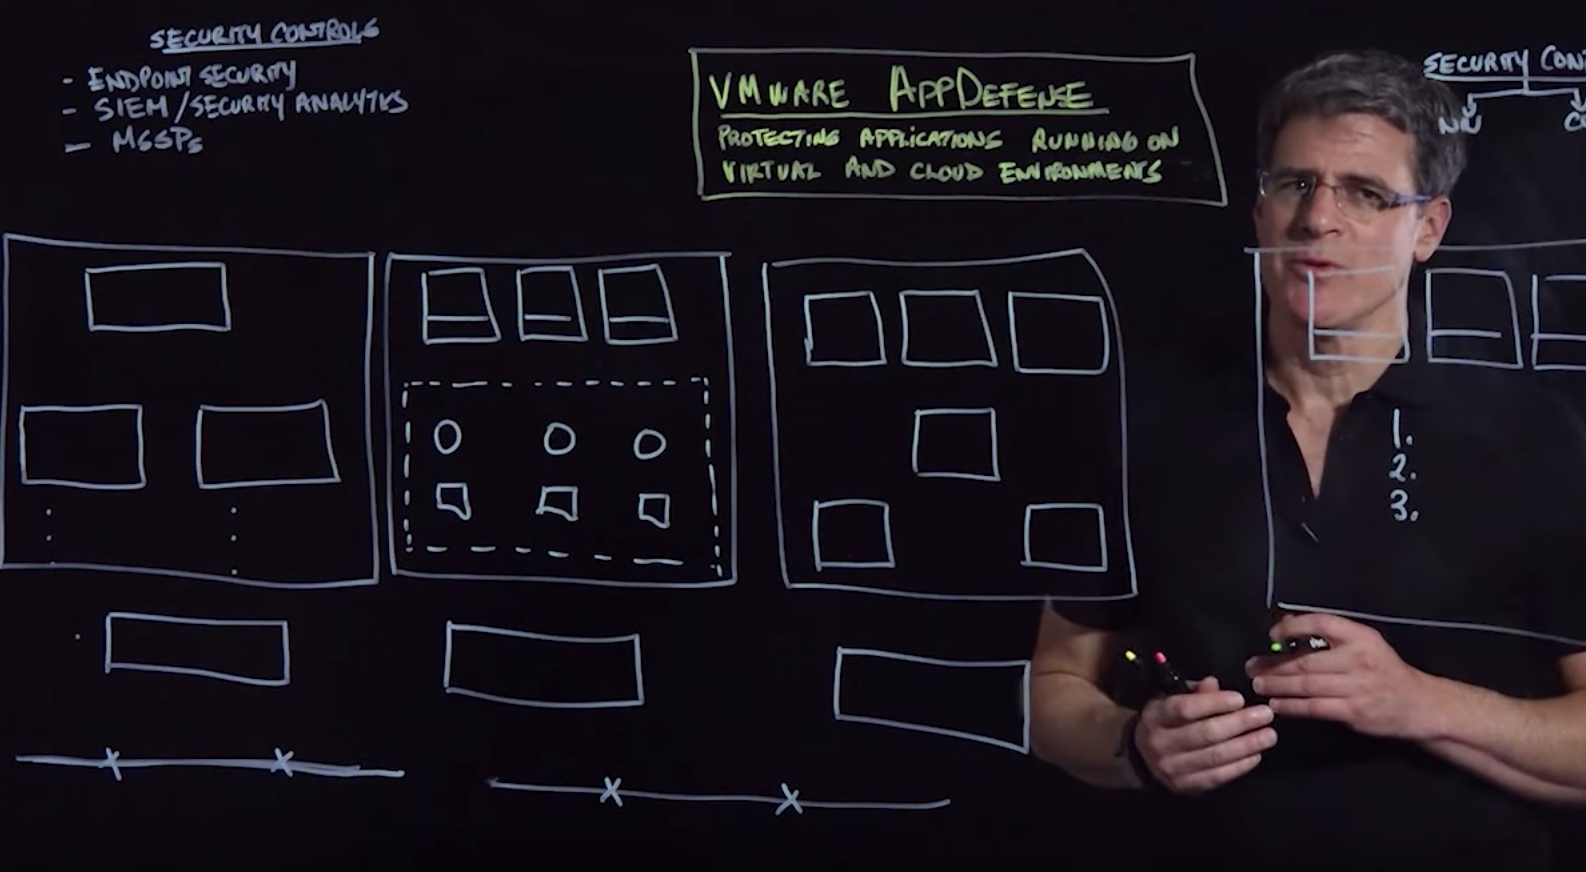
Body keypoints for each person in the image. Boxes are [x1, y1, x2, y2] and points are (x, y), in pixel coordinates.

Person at [1029, 48, 1586, 869]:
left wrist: (1415, 704)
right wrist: (1133, 743)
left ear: (1427, 229)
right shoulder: (1142, 421)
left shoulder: (1536, 439)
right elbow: (1053, 690)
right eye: (1296, 183)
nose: (1318, 218)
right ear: (1260, 214)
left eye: (1365, 193)